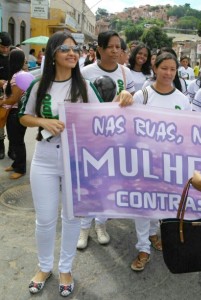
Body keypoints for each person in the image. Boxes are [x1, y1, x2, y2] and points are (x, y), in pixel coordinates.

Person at [18, 31, 105, 297]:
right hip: (44, 158)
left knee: (72, 217)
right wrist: (43, 122)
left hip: (75, 160)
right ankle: (44, 267)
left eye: (75, 49)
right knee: (44, 219)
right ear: (53, 53)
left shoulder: (85, 87)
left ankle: (65, 268)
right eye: (66, 49)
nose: (72, 53)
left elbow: (104, 116)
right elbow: (24, 116)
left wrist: (124, 101)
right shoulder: (37, 85)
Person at [131, 52, 191, 272]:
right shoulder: (142, 96)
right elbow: (128, 124)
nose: (168, 73)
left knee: (164, 202)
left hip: (170, 163)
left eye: (173, 69)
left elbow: (187, 132)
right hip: (143, 161)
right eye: (164, 68)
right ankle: (143, 246)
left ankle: (157, 234)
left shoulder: (182, 100)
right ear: (155, 68)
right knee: (142, 204)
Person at [77, 30, 135, 250]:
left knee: (108, 182)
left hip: (115, 138)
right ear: (98, 49)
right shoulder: (84, 73)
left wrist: (129, 98)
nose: (114, 50)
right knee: (88, 182)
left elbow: (133, 105)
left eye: (118, 46)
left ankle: (100, 224)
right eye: (109, 46)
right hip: (89, 137)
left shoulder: (125, 73)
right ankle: (83, 227)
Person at [0, 49, 26, 179]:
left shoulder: (17, 76)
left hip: (15, 112)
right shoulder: (17, 75)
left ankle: (21, 169)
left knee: (17, 142)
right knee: (14, 140)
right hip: (14, 112)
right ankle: (16, 164)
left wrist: (1, 102)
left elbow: (14, 98)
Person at [0, 31, 15, 160]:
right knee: (0, 121)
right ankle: (0, 146)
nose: (5, 50)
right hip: (0, 93)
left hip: (12, 92)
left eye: (7, 47)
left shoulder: (14, 54)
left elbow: (24, 70)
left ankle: (12, 148)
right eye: (2, 47)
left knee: (12, 121)